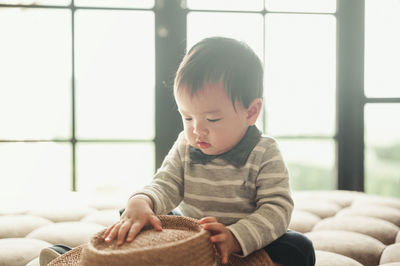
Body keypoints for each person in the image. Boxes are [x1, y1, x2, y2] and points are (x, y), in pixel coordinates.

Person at [102, 37, 315, 266]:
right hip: (192, 233)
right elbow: (166, 184)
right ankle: (86, 255)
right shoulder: (186, 144)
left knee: (299, 248)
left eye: (212, 119)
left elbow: (277, 209)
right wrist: (143, 201)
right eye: (187, 117)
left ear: (251, 112)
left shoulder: (264, 151)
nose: (197, 130)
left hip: (245, 239)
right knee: (135, 216)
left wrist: (235, 237)